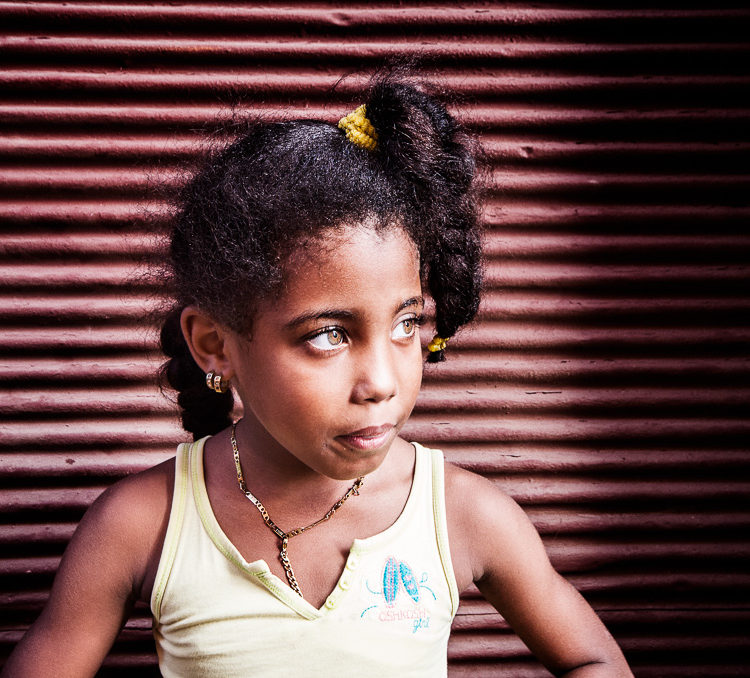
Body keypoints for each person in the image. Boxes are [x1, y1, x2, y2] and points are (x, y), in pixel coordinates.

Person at [2, 70, 633, 677]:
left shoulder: (461, 515)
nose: (382, 382)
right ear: (214, 344)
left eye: (406, 325)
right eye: (329, 335)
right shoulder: (144, 524)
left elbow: (591, 658)